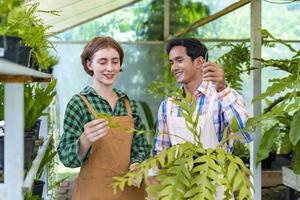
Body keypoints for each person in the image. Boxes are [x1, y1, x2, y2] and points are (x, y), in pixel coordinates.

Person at [151, 38, 252, 198]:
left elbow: (246, 135)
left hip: (216, 191)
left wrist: (222, 89)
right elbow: (161, 153)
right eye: (171, 62)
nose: (174, 67)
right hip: (179, 191)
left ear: (198, 62)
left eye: (179, 60)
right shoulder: (168, 105)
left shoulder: (222, 96)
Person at [57, 36, 149, 200]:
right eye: (102, 62)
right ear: (89, 64)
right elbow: (66, 157)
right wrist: (85, 140)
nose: (110, 68)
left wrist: (136, 164)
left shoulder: (128, 104)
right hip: (94, 192)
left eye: (115, 61)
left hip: (130, 191)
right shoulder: (79, 103)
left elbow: (140, 145)